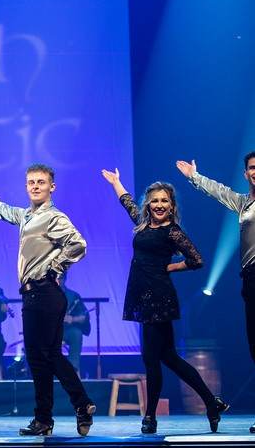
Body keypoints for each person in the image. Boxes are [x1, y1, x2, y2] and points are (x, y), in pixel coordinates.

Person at [102, 167, 228, 434]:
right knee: (168, 357)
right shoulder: (142, 222)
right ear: (148, 204)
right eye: (155, 201)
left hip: (158, 297)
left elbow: (196, 259)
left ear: (171, 206)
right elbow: (127, 202)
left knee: (151, 358)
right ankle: (211, 402)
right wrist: (116, 183)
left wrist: (170, 267)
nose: (159, 205)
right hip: (142, 296)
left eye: (164, 201)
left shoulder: (172, 231)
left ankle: (150, 417)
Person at [0, 163, 95, 436]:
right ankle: (48, 418)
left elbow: (78, 244)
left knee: (43, 356)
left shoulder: (54, 217)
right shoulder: (28, 216)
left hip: (44, 292)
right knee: (43, 357)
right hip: (34, 294)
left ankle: (78, 403)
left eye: (41, 182)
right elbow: (11, 213)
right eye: (31, 182)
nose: (35, 186)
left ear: (51, 187)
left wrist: (55, 268)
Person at [177, 154, 254, 432]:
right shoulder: (243, 203)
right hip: (250, 277)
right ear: (246, 173)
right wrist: (195, 178)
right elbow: (220, 192)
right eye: (252, 168)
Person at [59, 272, 90, 375]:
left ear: (65, 279)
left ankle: (72, 368)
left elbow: (84, 317)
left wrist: (72, 319)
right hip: (50, 332)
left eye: (60, 278)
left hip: (67, 331)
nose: (58, 281)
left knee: (76, 334)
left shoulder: (73, 296)